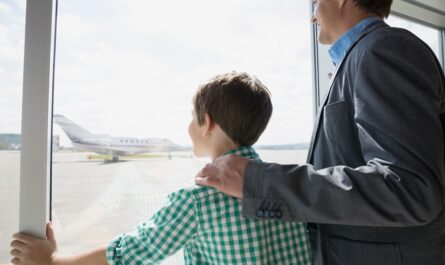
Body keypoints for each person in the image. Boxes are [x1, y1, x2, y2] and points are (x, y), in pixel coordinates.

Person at [195, 1, 445, 265]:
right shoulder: (362, 56)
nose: (312, 17)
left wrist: (259, 182)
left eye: (315, 2)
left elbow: (409, 188)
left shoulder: (383, 50)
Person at [10, 72, 312, 265]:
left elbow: (133, 251)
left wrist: (54, 262)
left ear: (206, 123)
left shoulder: (197, 200)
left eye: (192, 117)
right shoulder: (287, 184)